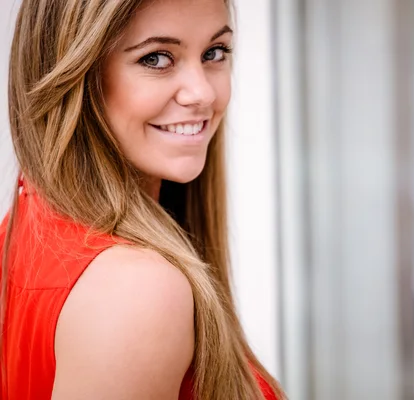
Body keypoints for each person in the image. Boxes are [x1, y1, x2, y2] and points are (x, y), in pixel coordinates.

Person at [0, 0, 283, 399]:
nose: (202, 92)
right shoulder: (139, 290)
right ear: (75, 71)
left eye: (214, 53)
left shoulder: (29, 221)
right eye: (156, 58)